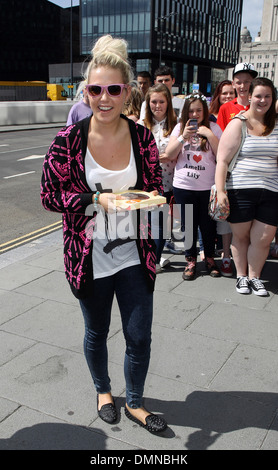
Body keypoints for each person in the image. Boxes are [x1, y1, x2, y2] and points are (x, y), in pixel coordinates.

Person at [41, 34, 167, 433]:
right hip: (88, 256)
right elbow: (49, 195)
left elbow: (156, 189)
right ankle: (103, 391)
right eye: (96, 89)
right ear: (87, 92)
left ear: (127, 92)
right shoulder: (68, 141)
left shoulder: (142, 138)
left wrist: (152, 205)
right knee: (96, 331)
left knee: (139, 336)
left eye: (114, 89)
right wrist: (96, 201)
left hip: (134, 253)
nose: (104, 97)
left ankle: (134, 402)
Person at [215, 77, 278, 296]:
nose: (263, 100)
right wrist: (221, 191)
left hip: (271, 190)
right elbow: (222, 160)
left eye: (267, 96)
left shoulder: (276, 124)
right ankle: (242, 276)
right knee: (241, 237)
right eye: (258, 95)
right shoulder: (238, 123)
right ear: (249, 96)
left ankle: (255, 277)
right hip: (240, 188)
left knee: (263, 239)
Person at [166, 92, 222, 280]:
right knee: (188, 225)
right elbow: (170, 154)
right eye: (191, 111)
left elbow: (223, 154)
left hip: (207, 186)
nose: (195, 114)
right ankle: (190, 260)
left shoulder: (213, 127)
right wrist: (183, 137)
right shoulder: (179, 128)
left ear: (204, 111)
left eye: (199, 110)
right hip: (184, 185)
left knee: (208, 225)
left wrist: (209, 135)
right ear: (185, 112)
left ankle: (209, 258)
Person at [138, 83, 177, 272]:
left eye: (162, 101)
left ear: (168, 103)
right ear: (148, 103)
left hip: (168, 181)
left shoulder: (176, 125)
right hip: (145, 183)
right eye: (154, 101)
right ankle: (145, 256)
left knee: (161, 222)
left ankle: (154, 260)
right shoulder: (140, 125)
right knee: (144, 223)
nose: (157, 105)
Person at [209, 80, 236, 277]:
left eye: (230, 92)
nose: (227, 96)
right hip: (223, 169)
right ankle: (224, 253)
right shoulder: (219, 115)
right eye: (224, 93)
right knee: (222, 214)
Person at [217, 62, 258, 131]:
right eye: (239, 83)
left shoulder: (259, 106)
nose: (242, 86)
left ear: (253, 83)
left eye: (246, 82)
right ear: (233, 84)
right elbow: (220, 135)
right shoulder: (225, 108)